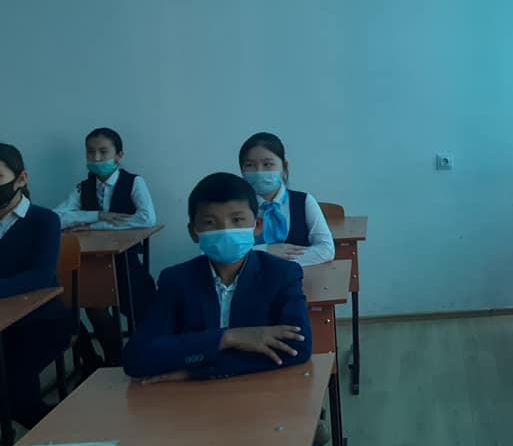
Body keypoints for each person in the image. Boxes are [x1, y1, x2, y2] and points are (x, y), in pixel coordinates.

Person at [122, 172, 312, 381]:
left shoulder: (282, 274)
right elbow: (137, 357)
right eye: (210, 222)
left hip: (262, 393)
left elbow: (298, 348)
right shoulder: (176, 280)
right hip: (193, 399)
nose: (226, 231)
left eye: (237, 220)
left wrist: (196, 371)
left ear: (257, 225)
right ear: (193, 232)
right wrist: (228, 337)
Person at [54, 128, 157, 366]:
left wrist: (94, 226)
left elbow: (146, 218)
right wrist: (97, 215)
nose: (96, 158)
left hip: (125, 259)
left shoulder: (134, 181)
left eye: (103, 152)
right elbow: (56, 218)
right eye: (90, 152)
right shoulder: (83, 187)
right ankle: (110, 362)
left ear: (119, 156)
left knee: (140, 308)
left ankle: (141, 356)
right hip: (92, 261)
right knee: (92, 308)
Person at [0, 144, 74, 428]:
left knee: (15, 392)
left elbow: (39, 277)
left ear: (21, 179)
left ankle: (64, 436)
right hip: (4, 324)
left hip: (42, 322)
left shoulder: (44, 220)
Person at [239, 133, 334, 266]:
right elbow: (226, 254)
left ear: (284, 167)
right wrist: (265, 251)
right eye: (250, 165)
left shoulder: (304, 201)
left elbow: (326, 249)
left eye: (267, 164)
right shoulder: (236, 207)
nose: (259, 171)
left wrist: (275, 264)